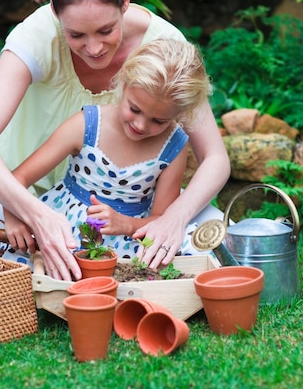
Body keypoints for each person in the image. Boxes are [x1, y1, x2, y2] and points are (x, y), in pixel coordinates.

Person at [0, 0, 230, 281]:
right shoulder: (37, 35)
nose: (94, 48)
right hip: (23, 192)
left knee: (212, 237)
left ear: (125, 1)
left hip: (129, 207)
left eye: (106, 30)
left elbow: (215, 158)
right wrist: (29, 211)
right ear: (55, 13)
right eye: (76, 36)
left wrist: (173, 220)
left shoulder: (165, 50)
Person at [11, 39, 211, 258]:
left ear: (179, 113)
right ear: (123, 84)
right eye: (134, 109)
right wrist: (13, 216)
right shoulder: (88, 125)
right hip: (67, 229)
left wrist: (126, 224)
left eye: (158, 121)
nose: (140, 125)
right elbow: (18, 178)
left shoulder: (172, 146)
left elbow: (162, 220)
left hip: (130, 241)